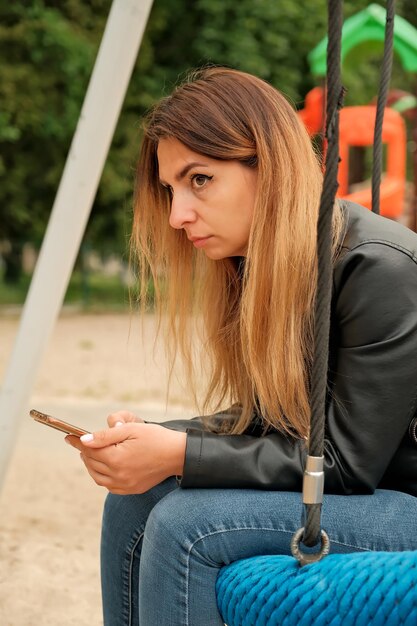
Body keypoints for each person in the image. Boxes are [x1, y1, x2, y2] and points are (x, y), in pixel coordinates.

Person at [66, 67, 417, 626]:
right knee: (135, 498)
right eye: (170, 190)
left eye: (199, 180)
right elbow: (271, 423)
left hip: (400, 503)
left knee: (188, 526)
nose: (178, 215)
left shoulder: (380, 268)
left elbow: (348, 462)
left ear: (270, 167)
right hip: (364, 496)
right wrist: (157, 439)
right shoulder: (258, 266)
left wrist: (179, 455)